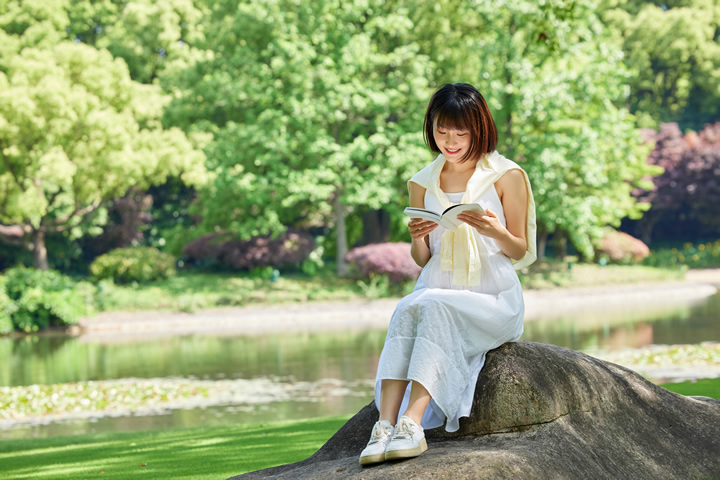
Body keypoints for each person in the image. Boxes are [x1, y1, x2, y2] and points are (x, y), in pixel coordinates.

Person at [359, 83, 537, 466]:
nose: (450, 141)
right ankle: (384, 427)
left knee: (431, 305)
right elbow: (423, 260)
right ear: (431, 128)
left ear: (480, 128)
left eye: (461, 132)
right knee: (408, 307)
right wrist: (419, 238)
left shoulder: (507, 175)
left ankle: (412, 423)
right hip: (436, 285)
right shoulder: (421, 182)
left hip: (493, 297)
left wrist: (494, 231)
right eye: (442, 130)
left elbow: (520, 250)